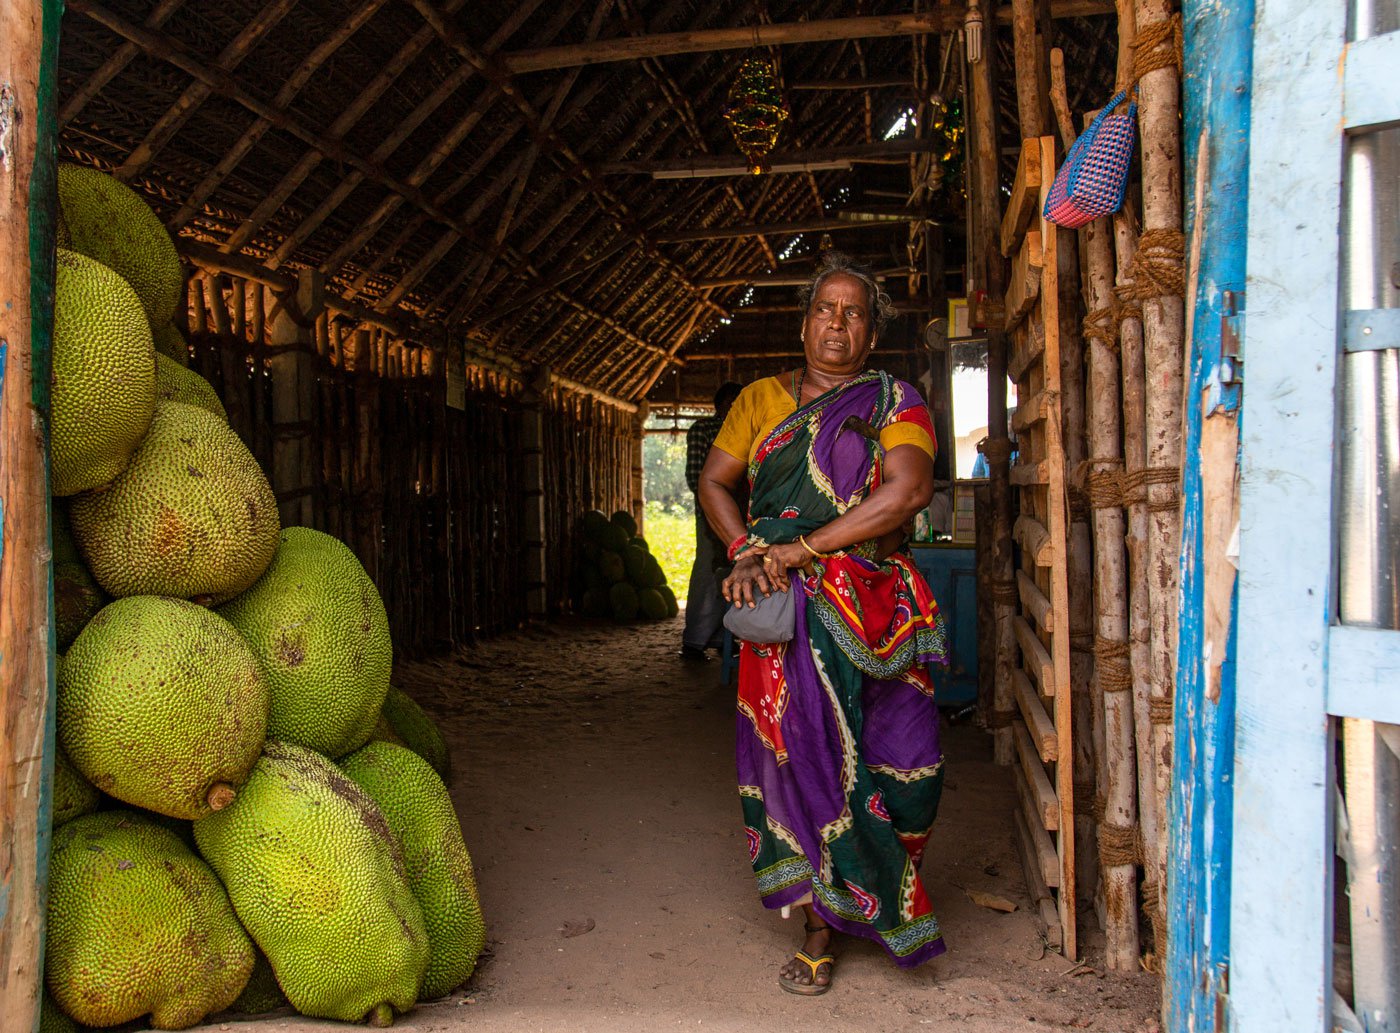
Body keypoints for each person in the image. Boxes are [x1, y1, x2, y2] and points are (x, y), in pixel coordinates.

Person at [697, 253, 949, 996]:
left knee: (909, 762)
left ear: (871, 334)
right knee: (808, 752)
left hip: (880, 609)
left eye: (854, 313)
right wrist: (746, 547)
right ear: (804, 320)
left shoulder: (895, 400)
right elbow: (716, 480)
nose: (836, 323)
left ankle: (874, 886)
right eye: (824, 309)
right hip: (786, 613)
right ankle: (822, 923)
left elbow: (906, 490)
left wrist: (803, 546)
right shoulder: (759, 400)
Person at [680, 382, 744, 661]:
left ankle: (722, 638)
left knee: (736, 574)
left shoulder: (748, 432)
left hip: (743, 513)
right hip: (711, 514)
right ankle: (694, 641)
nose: (733, 407)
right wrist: (714, 508)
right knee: (708, 572)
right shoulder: (703, 430)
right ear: (719, 404)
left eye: (739, 402)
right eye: (730, 402)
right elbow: (696, 478)